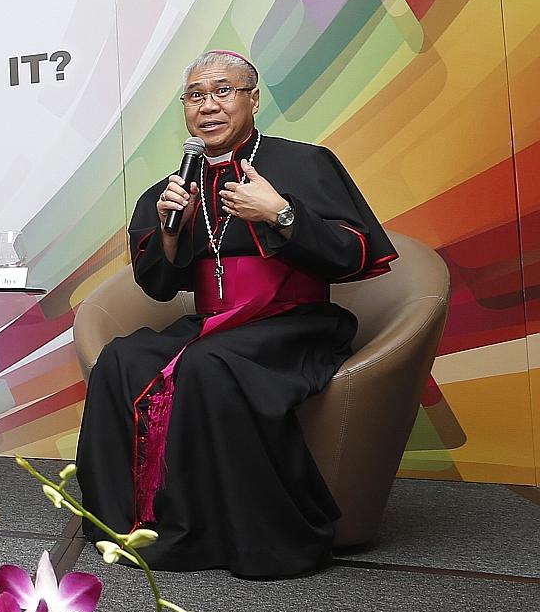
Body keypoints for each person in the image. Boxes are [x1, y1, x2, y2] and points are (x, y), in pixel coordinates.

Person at [75, 50, 397, 578]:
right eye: (196, 96)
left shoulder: (304, 162)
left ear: (252, 98)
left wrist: (282, 214)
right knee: (120, 360)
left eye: (223, 91)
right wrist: (172, 233)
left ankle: (242, 534)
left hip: (292, 321)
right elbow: (158, 288)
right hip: (214, 325)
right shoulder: (172, 189)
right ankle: (127, 521)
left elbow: (356, 253)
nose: (208, 107)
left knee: (208, 364)